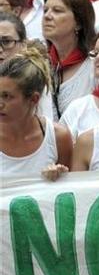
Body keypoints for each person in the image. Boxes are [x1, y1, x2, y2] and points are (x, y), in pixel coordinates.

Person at [0, 47, 73, 178]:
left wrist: (58, 175)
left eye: (7, 96)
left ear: (34, 99)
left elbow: (71, 189)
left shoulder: (58, 137)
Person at [43, 0, 96, 119]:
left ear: (78, 23)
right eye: (45, 10)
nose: (47, 16)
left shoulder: (96, 65)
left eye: (57, 11)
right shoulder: (38, 63)